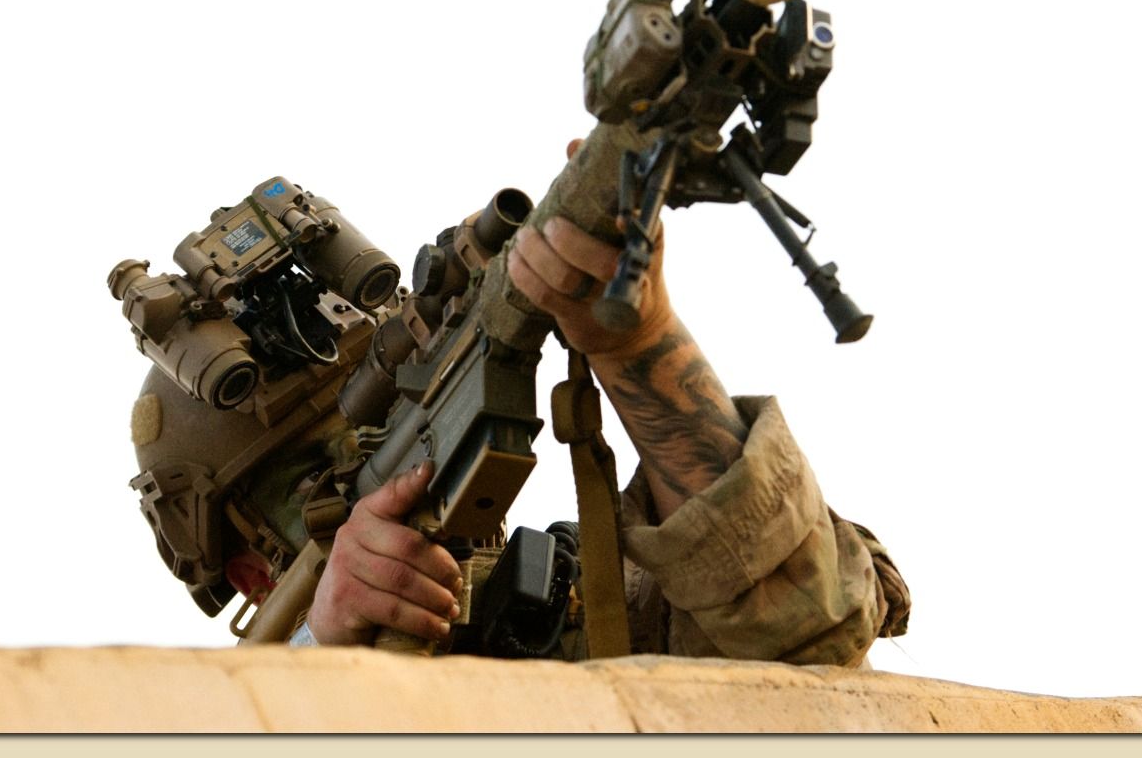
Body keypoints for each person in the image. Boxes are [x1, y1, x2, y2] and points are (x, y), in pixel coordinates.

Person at [127, 147, 909, 665]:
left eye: (380, 429)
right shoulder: (216, 719)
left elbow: (814, 630)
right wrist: (324, 649)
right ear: (251, 570)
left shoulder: (581, 608)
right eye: (308, 480)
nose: (364, 473)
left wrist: (636, 344)